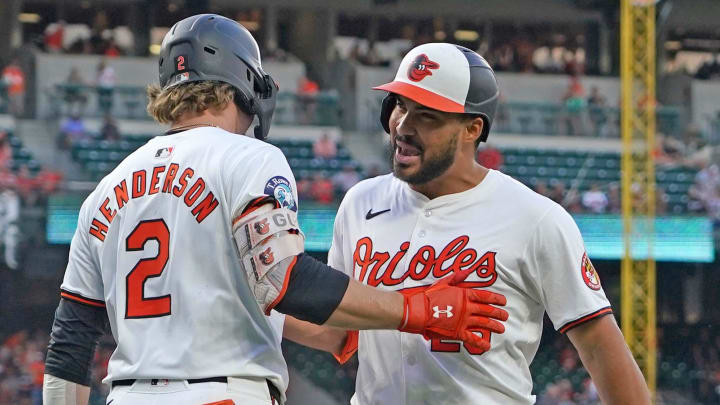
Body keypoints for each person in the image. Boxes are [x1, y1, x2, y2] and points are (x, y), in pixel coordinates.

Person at [41, 16, 509, 405]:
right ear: (243, 83)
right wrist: (415, 308)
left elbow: (70, 343)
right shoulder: (248, 157)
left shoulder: (107, 188)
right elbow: (284, 278)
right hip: (223, 394)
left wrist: (353, 323)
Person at [326, 43, 650, 404]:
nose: (403, 125)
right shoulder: (360, 202)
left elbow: (597, 344)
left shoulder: (535, 218)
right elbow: (340, 329)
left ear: (472, 129)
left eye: (427, 115)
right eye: (401, 105)